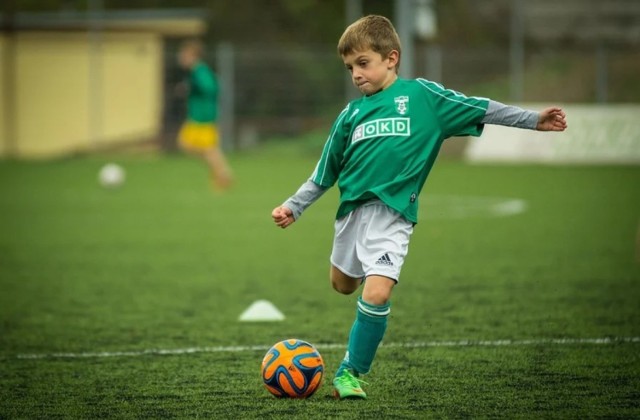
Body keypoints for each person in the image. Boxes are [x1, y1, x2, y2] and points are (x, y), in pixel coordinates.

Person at [271, 15, 567, 400]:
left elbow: (481, 107)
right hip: (351, 217)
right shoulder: (350, 115)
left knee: (376, 295)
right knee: (342, 285)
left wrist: (533, 120)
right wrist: (294, 207)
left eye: (363, 63)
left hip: (394, 217)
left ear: (391, 58)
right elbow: (324, 172)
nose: (356, 74)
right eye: (349, 68)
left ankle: (350, 372)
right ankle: (366, 279)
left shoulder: (424, 98)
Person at [177, 39, 233, 191]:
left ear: (193, 56)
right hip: (197, 116)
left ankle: (223, 174)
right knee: (190, 146)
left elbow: (211, 87)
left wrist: (192, 88)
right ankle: (221, 173)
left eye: (184, 55)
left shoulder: (199, 70)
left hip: (203, 117)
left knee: (207, 149)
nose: (181, 57)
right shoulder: (196, 72)